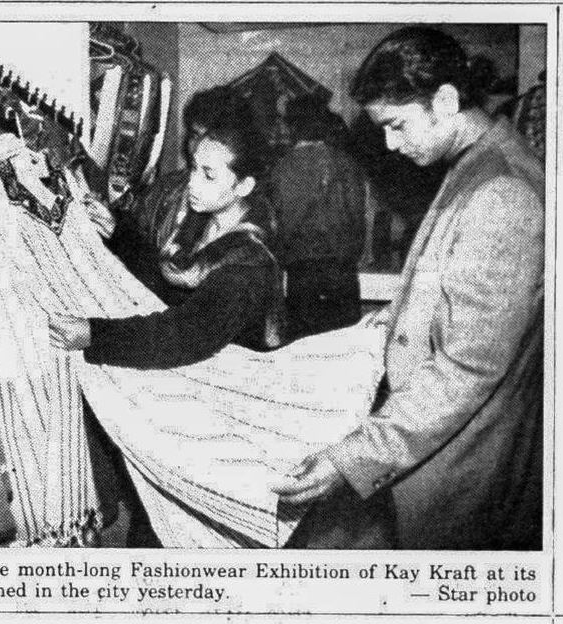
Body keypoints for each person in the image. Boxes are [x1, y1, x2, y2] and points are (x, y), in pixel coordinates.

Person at [272, 26, 544, 550]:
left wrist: (351, 460)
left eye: (396, 125)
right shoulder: (479, 165)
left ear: (445, 101)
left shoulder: (503, 191)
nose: (391, 145)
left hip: (465, 465)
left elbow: (467, 369)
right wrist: (396, 317)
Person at [51, 108, 284, 368]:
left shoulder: (248, 264)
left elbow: (183, 335)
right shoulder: (205, 220)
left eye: (208, 175)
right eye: (193, 168)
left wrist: (95, 335)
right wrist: (118, 232)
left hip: (231, 374)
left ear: (244, 186)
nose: (192, 183)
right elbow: (166, 283)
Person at [271, 94, 367, 341]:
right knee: (346, 342)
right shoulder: (346, 163)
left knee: (305, 345)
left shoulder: (283, 167)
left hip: (303, 269)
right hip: (342, 267)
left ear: (292, 125)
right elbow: (357, 216)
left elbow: (282, 223)